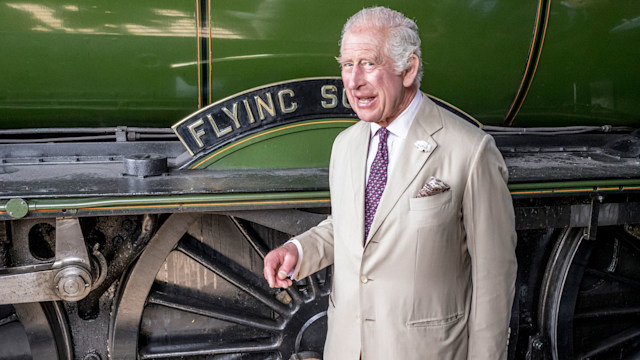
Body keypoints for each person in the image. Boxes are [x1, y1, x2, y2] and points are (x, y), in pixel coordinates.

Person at [263, 6, 517, 360]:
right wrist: (298, 251)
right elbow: (351, 228)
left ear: (408, 69)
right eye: (347, 65)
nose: (353, 81)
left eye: (368, 63)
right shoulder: (346, 145)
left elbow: (495, 275)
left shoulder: (471, 151)